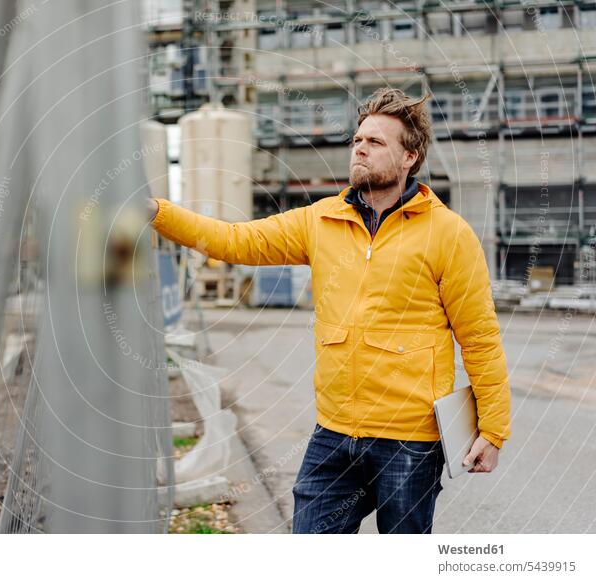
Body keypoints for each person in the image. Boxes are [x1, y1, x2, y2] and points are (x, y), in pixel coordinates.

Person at [146, 87, 510, 534]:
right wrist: (156, 212)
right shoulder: (320, 220)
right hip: (334, 433)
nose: (360, 147)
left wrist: (492, 430)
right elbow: (235, 240)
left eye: (376, 142)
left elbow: (479, 337)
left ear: (409, 157)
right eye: (357, 139)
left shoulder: (449, 234)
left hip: (410, 440)